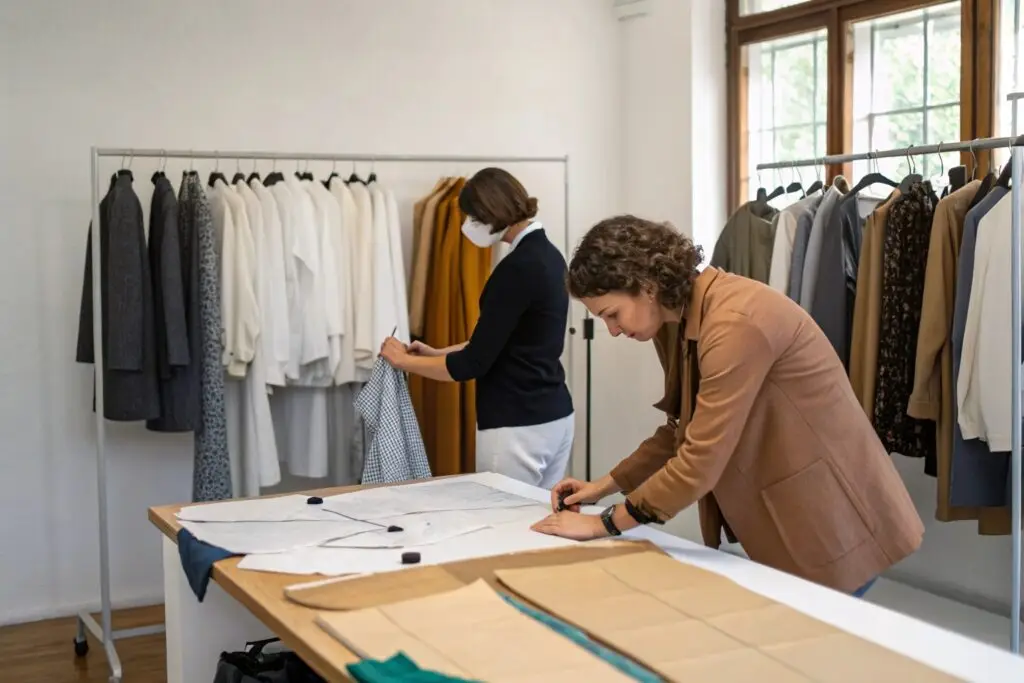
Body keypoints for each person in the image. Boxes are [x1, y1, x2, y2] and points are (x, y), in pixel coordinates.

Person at [532, 214, 923, 597]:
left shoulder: (735, 322)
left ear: (646, 285)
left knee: (820, 653)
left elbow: (699, 460)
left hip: (832, 515)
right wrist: (604, 486)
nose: (613, 330)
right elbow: (682, 427)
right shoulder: (677, 321)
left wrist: (605, 524)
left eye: (611, 315)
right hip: (794, 511)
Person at [380, 168, 574, 487]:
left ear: (489, 211)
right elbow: (504, 343)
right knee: (539, 523)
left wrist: (404, 362)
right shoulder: (549, 257)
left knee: (503, 527)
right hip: (555, 417)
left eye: (471, 216)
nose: (467, 225)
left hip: (517, 425)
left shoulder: (516, 268)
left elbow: (472, 363)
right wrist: (434, 352)